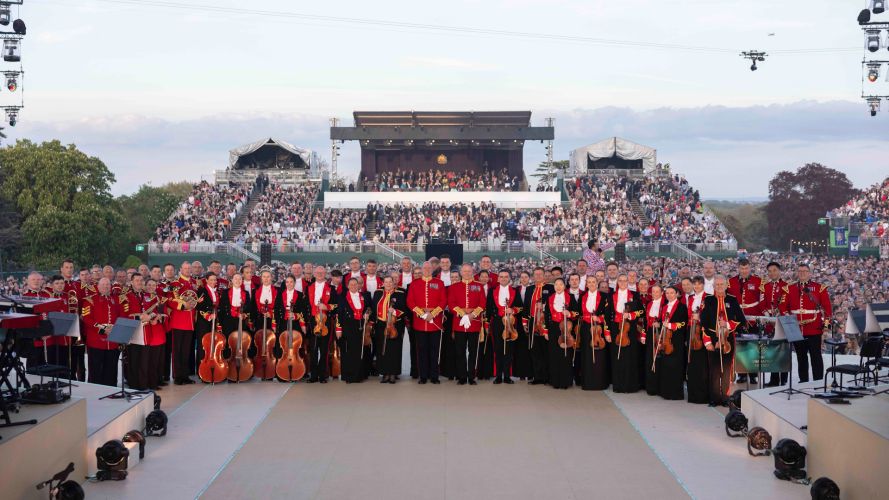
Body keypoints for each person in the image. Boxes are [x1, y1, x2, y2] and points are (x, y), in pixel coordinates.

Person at [780, 263, 831, 383]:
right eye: (800, 271)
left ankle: (818, 381)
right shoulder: (789, 289)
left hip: (814, 328)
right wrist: (790, 321)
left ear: (810, 273)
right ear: (797, 273)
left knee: (816, 356)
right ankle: (803, 380)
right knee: (801, 357)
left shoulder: (819, 288)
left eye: (805, 271)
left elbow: (827, 310)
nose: (802, 273)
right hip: (796, 329)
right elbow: (782, 307)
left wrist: (826, 326)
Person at [701, 276, 745, 406]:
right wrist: (707, 341)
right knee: (714, 370)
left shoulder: (732, 299)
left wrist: (727, 324)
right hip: (713, 337)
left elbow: (742, 321)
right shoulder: (708, 300)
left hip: (727, 339)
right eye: (717, 285)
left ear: (726, 285)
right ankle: (714, 398)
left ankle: (725, 397)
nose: (719, 287)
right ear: (713, 286)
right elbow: (703, 322)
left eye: (721, 284)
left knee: (726, 370)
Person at [406, 261, 447, 384]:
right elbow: (410, 302)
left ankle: (434, 375)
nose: (427, 270)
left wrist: (432, 314)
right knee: (422, 350)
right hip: (420, 322)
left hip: (435, 323)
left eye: (429, 268)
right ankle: (423, 375)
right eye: (425, 268)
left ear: (432, 269)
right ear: (422, 269)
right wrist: (422, 314)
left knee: (434, 350)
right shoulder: (414, 284)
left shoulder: (439, 283)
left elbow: (443, 301)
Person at [448, 264, 485, 385]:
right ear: (461, 273)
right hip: (459, 323)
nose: (467, 273)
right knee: (460, 351)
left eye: (469, 271)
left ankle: (471, 376)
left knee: (473, 351)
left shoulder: (479, 286)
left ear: (472, 272)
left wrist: (472, 315)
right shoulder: (454, 287)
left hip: (474, 323)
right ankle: (462, 376)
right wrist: (462, 314)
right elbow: (451, 304)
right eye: (465, 271)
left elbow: (482, 304)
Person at [728, 258, 763, 384]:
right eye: (742, 268)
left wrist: (760, 316)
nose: (744, 271)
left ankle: (753, 374)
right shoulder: (730, 281)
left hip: (753, 318)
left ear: (750, 268)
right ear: (738, 268)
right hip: (737, 319)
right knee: (740, 348)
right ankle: (741, 374)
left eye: (746, 268)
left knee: (753, 347)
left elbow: (762, 300)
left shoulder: (758, 281)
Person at [607, 274, 643, 393]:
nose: (622, 283)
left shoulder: (635, 295)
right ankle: (618, 385)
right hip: (615, 329)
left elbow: (642, 312)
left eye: (624, 281)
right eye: (620, 281)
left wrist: (631, 315)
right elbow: (607, 315)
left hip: (629, 330)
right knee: (616, 357)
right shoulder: (611, 296)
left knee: (629, 357)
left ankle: (629, 385)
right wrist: (607, 331)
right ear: (617, 282)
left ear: (628, 282)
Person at [83, 278, 122, 386]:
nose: (105, 286)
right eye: (103, 284)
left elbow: (120, 316)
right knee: (96, 369)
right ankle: (95, 390)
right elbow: (86, 318)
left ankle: (111, 389)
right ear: (98, 286)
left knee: (111, 368)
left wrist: (115, 328)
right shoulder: (89, 300)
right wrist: (102, 329)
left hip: (112, 341)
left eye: (107, 285)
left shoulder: (115, 299)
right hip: (96, 341)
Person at [487, 270, 522, 385]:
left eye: (506, 277)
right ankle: (498, 376)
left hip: (510, 322)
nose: (503, 279)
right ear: (498, 279)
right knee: (498, 349)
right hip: (497, 322)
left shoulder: (515, 291)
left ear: (509, 278)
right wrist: (487, 324)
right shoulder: (492, 291)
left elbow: (520, 307)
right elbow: (488, 309)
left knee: (509, 350)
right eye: (501, 277)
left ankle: (507, 376)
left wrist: (513, 310)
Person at [371, 276, 407, 384]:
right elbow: (374, 308)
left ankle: (393, 374)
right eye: (386, 282)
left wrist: (395, 311)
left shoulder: (400, 293)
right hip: (381, 325)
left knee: (394, 350)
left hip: (395, 324)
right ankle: (385, 373)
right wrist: (372, 323)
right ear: (383, 283)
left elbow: (405, 309)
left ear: (393, 282)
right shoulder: (378, 293)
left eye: (390, 282)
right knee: (383, 349)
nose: (388, 284)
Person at [578, 275, 612, 390]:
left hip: (599, 329)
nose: (591, 284)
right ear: (586, 284)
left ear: (597, 283)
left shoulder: (604, 296)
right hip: (586, 329)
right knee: (587, 355)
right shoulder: (582, 296)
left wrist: (599, 319)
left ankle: (600, 382)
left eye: (593, 282)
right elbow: (579, 313)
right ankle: (588, 382)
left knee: (600, 356)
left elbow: (608, 314)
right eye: (589, 282)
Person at [306, 266, 338, 383]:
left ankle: (323, 375)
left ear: (325, 273)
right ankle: (313, 375)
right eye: (317, 272)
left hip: (325, 322)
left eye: (322, 272)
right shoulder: (309, 287)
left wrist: (327, 307)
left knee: (324, 349)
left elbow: (337, 306)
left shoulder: (331, 288)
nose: (319, 273)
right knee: (313, 349)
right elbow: (306, 306)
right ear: (314, 273)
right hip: (313, 322)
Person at [167, 262, 198, 385]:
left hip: (190, 322)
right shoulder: (175, 283)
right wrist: (183, 305)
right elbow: (170, 300)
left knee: (186, 351)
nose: (188, 270)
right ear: (180, 269)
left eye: (189, 268)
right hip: (179, 321)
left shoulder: (194, 283)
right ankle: (177, 376)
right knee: (177, 351)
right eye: (185, 268)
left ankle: (185, 375)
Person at [545, 277, 578, 389]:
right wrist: (545, 330)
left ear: (564, 286)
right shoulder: (550, 298)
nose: (558, 287)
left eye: (560, 284)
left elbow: (577, 313)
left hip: (566, 328)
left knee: (566, 354)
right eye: (556, 285)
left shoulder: (571, 297)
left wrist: (569, 314)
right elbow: (546, 315)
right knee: (554, 354)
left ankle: (565, 381)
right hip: (554, 328)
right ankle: (555, 381)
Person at [522, 267, 553, 385]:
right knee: (535, 351)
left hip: (546, 323)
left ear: (544, 275)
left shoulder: (550, 288)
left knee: (546, 350)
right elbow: (526, 306)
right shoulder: (529, 289)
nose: (538, 276)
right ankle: (537, 376)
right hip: (532, 323)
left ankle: (547, 377)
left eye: (540, 274)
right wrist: (524, 322)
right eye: (536, 274)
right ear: (533, 276)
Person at [655, 286, 687, 400]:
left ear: (677, 294)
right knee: (665, 366)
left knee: (675, 367)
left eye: (671, 293)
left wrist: (671, 325)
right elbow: (661, 321)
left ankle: (675, 393)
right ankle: (665, 391)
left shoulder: (682, 307)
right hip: (665, 339)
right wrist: (659, 324)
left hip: (676, 340)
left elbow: (684, 323)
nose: (669, 295)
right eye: (667, 293)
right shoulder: (664, 307)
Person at [336, 278, 371, 383]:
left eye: (355, 284)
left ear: (358, 285)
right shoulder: (342, 298)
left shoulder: (363, 297)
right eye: (351, 284)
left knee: (359, 351)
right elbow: (339, 314)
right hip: (347, 327)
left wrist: (367, 314)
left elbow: (369, 308)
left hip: (360, 326)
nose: (354, 286)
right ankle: (349, 376)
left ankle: (359, 375)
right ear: (348, 286)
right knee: (348, 352)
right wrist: (338, 329)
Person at [276, 274, 309, 380]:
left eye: (291, 282)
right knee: (283, 347)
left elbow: (304, 311)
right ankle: (282, 372)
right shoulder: (280, 294)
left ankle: (300, 371)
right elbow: (276, 310)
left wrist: (295, 315)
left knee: (298, 347)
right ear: (285, 283)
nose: (289, 284)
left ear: (294, 283)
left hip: (296, 324)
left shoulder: (300, 295)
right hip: (283, 323)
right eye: (287, 282)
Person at [762, 261, 788, 386]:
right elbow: (763, 303)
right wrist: (767, 314)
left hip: (782, 323)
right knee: (772, 351)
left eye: (774, 270)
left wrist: (779, 314)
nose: (772, 273)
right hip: (769, 323)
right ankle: (773, 379)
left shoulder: (786, 286)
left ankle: (783, 379)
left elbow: (787, 304)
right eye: (770, 271)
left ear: (779, 271)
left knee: (782, 351)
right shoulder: (765, 287)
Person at [685, 276, 709, 404]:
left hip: (702, 332)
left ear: (703, 285)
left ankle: (702, 394)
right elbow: (689, 315)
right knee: (692, 364)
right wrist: (692, 319)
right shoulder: (690, 298)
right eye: (695, 284)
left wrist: (699, 317)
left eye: (699, 284)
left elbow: (709, 315)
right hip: (692, 331)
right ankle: (693, 394)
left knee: (702, 365)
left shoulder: (708, 297)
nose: (697, 286)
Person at [642, 285, 665, 396]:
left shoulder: (665, 304)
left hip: (660, 333)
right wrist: (643, 334)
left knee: (659, 359)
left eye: (657, 291)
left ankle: (659, 387)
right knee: (650, 359)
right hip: (650, 333)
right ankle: (651, 387)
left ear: (661, 293)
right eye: (653, 292)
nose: (655, 293)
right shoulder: (649, 304)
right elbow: (645, 322)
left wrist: (660, 324)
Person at [511, 271, 533, 380]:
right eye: (522, 277)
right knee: (519, 348)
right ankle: (520, 373)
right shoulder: (515, 290)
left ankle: (530, 373)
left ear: (529, 278)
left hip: (531, 320)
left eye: (526, 277)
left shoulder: (533, 289)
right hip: (518, 322)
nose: (524, 279)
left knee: (530, 347)